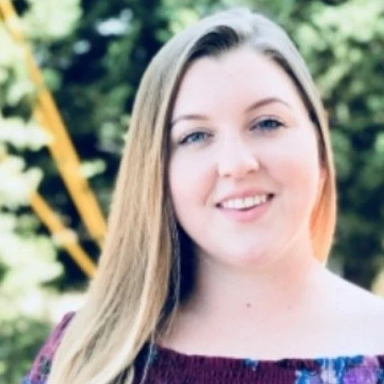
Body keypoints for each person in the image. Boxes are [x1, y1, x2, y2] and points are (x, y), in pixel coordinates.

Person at [23, 7, 384, 384]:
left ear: (319, 145)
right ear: (157, 171)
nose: (236, 163)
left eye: (267, 123)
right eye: (195, 136)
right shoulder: (87, 357)